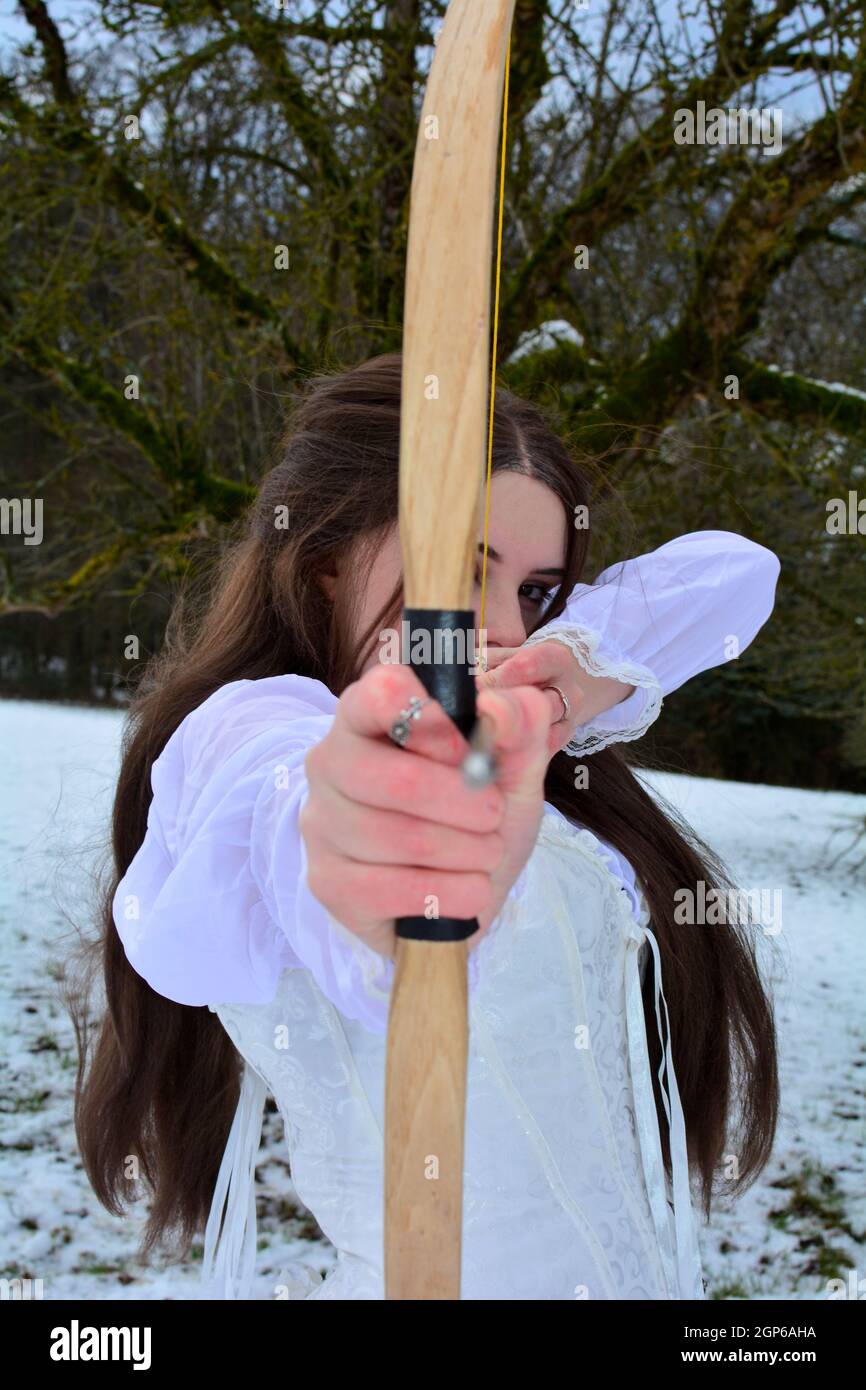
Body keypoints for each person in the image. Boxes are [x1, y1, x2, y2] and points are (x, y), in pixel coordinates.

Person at [72, 352, 780, 1300]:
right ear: (326, 563)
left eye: (534, 592)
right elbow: (297, 803)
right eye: (458, 569)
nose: (499, 627)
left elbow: (738, 574)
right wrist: (381, 843)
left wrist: (562, 678)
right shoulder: (250, 735)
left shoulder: (526, 714)